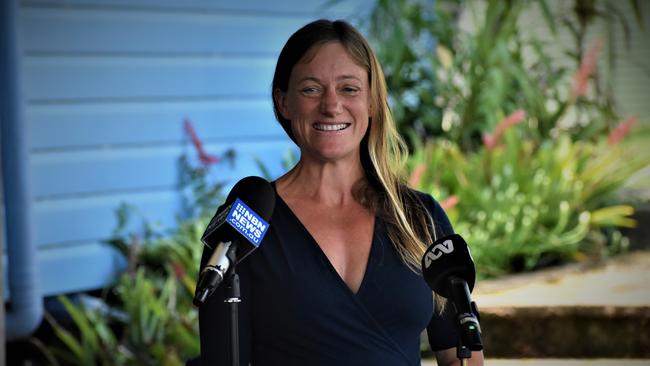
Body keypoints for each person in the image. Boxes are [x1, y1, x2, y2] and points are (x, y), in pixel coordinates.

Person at [198, 19, 485, 366]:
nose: (331, 105)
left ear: (372, 102)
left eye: (349, 89)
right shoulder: (247, 224)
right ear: (283, 102)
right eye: (310, 89)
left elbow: (461, 356)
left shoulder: (419, 218)